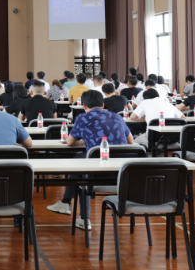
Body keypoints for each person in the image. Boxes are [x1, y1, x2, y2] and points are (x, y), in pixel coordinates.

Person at [47, 90, 134, 228]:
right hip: (121, 173)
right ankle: (66, 203)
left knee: (79, 165)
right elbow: (131, 142)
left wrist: (84, 140)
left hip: (96, 172)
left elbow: (70, 142)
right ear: (103, 105)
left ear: (84, 105)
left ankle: (80, 215)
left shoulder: (83, 118)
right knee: (80, 162)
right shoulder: (117, 117)